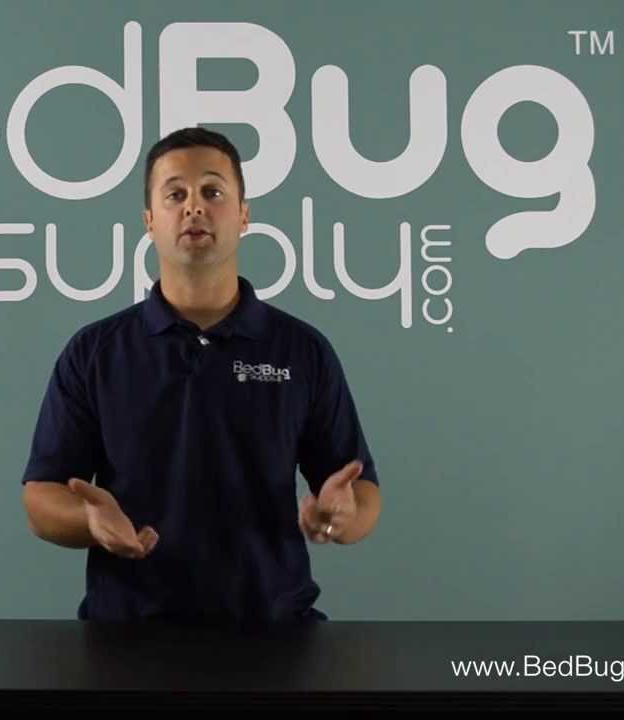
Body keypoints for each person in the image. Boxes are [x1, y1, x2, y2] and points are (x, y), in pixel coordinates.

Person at [20, 127, 381, 626]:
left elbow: (361, 493)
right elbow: (41, 497)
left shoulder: (302, 350)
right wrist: (89, 521)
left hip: (276, 632)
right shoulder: (94, 352)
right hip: (126, 635)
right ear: (149, 220)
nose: (194, 207)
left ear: (244, 215)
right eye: (175, 195)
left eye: (213, 191)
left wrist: (341, 517)